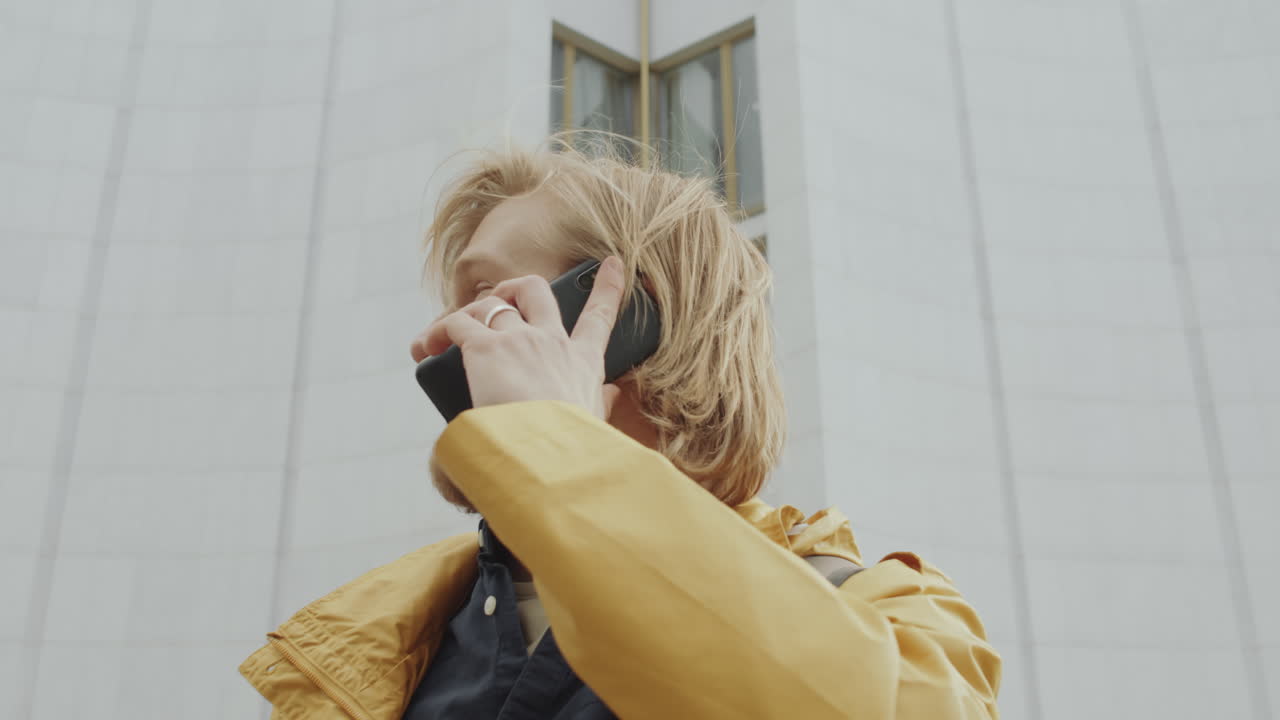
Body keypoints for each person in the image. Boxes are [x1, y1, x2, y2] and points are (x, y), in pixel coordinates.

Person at [239, 135, 1002, 719]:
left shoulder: (889, 613)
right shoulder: (376, 642)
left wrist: (562, 449)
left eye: (483, 293)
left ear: (626, 321)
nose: (433, 340)